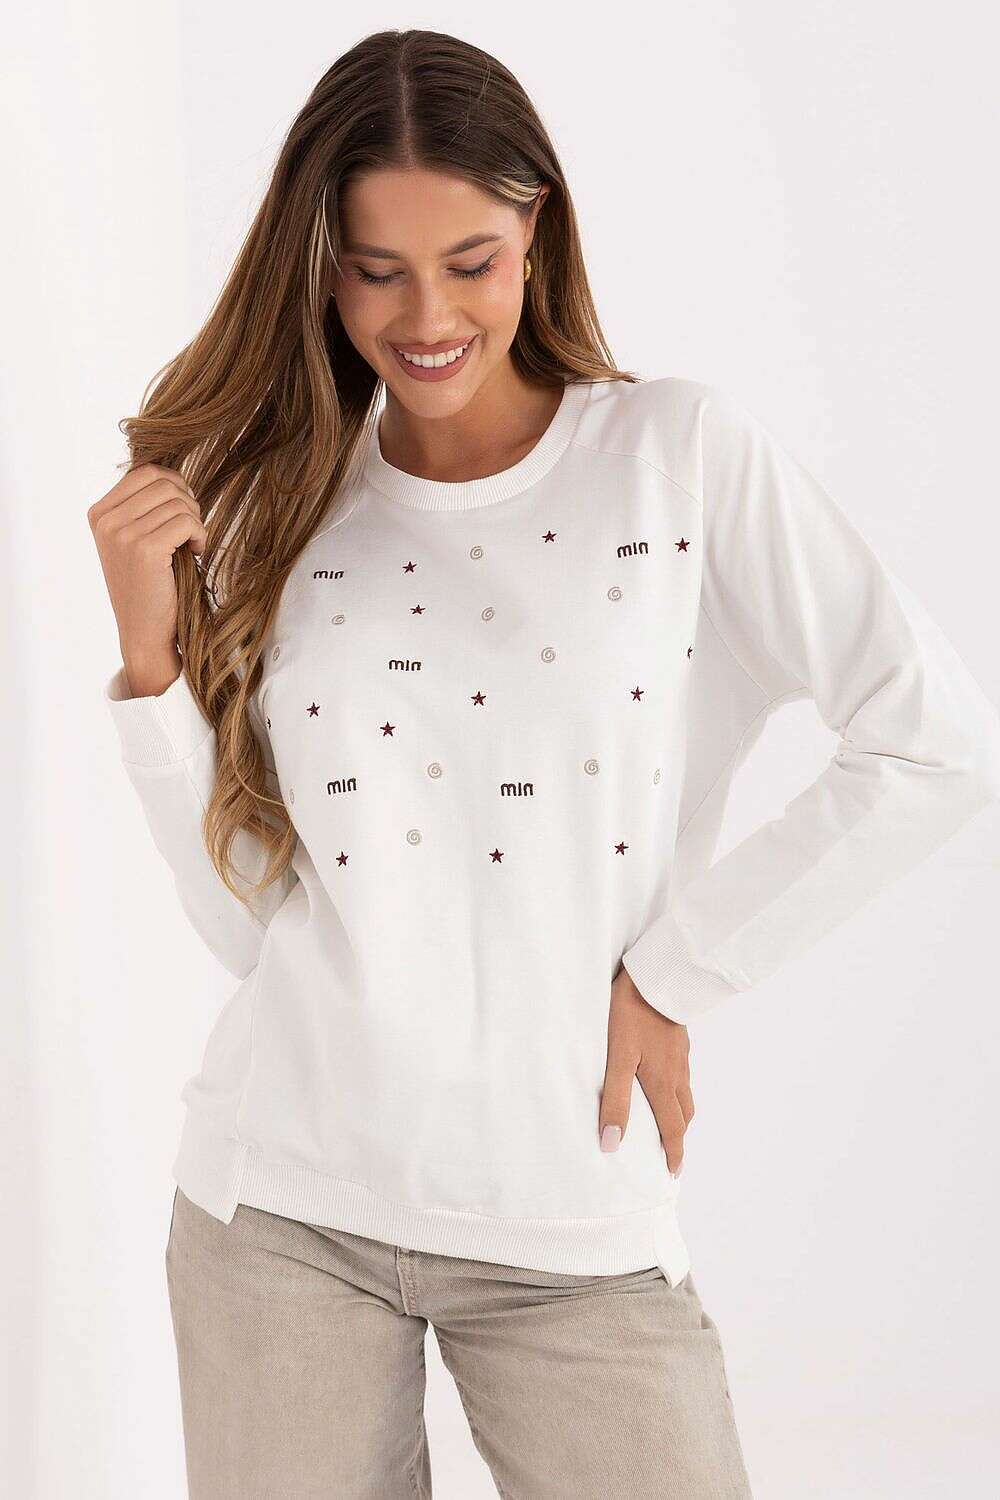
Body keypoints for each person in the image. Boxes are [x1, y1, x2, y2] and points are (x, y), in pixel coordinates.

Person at [88, 27, 1000, 1500]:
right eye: (375, 270)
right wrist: (152, 670)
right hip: (280, 1214)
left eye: (472, 261)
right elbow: (253, 924)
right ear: (320, 270)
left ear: (539, 232)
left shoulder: (674, 458)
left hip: (569, 1218)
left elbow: (933, 740)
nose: (427, 315)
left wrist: (677, 972)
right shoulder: (283, 501)